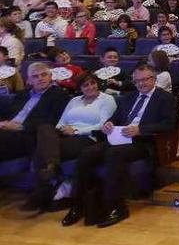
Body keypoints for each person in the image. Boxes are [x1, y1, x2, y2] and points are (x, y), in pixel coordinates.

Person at [63, 64, 176, 228]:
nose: (141, 84)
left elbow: (168, 125)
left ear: (154, 79)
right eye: (137, 81)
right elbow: (115, 118)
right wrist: (109, 124)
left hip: (143, 141)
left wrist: (140, 130)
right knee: (87, 154)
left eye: (145, 80)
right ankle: (78, 205)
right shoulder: (129, 97)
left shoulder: (165, 98)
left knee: (114, 154)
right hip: (119, 138)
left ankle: (116, 207)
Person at [26, 73, 117, 212]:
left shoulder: (107, 99)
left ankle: (42, 191)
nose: (90, 87)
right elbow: (61, 122)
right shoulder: (74, 100)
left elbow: (103, 125)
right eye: (85, 85)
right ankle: (52, 168)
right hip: (65, 134)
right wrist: (62, 130)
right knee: (44, 128)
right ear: (80, 88)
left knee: (41, 149)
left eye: (93, 83)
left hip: (88, 137)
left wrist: (75, 131)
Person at [0, 63, 69, 167]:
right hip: (8, 128)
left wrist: (21, 127)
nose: (40, 78)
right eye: (35, 76)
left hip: (28, 133)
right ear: (29, 80)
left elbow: (53, 120)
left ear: (50, 77)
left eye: (44, 75)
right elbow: (9, 113)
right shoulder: (22, 94)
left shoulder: (58, 94)